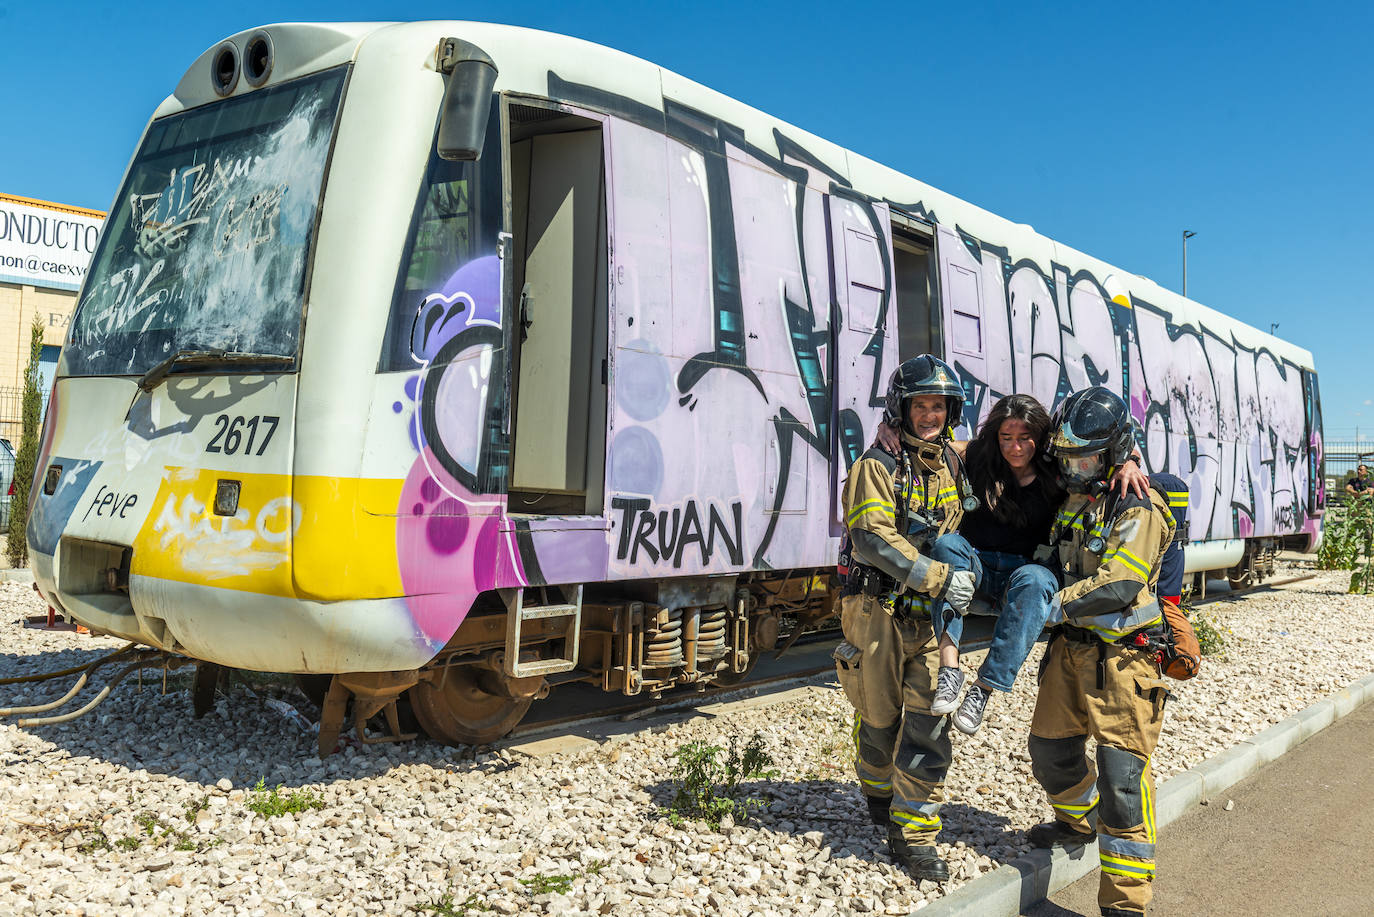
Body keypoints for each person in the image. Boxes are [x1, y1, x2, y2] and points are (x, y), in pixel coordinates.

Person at [874, 395, 1148, 735]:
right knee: (947, 545)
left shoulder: (1057, 469)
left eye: (1024, 439)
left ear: (1041, 438)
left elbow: (1102, 442)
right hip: (975, 568)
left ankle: (983, 689)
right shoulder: (976, 457)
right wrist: (889, 428)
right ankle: (949, 669)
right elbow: (929, 439)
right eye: (1006, 438)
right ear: (995, 437)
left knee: (1037, 579)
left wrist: (1130, 461)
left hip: (1022, 576)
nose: (1015, 448)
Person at [1025, 386, 1176, 917]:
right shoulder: (1075, 498)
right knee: (1049, 751)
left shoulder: (1138, 505)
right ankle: (1078, 822)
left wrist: (1045, 610)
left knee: (1123, 782)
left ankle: (1125, 904)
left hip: (1125, 663)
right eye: (1067, 458)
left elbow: (1118, 585)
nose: (1074, 468)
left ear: (1113, 452)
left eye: (1085, 457)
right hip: (1070, 655)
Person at [833, 355, 978, 882]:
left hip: (930, 618)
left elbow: (1024, 439)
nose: (930, 414)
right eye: (921, 404)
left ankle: (912, 833)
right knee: (879, 723)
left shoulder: (953, 464)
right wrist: (937, 578)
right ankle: (875, 789)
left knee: (929, 725)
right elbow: (870, 539)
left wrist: (1129, 455)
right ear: (902, 407)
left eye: (939, 406)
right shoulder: (876, 465)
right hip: (876, 609)